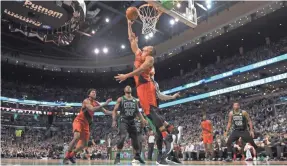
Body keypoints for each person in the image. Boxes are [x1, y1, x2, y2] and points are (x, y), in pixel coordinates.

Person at [114, 19, 181, 165]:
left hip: (146, 88)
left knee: (152, 113)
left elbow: (141, 70)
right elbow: (131, 40)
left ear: (150, 51)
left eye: (149, 46)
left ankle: (167, 137)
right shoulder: (139, 54)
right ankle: (169, 136)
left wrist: (127, 75)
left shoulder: (149, 58)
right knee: (154, 119)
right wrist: (129, 24)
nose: (147, 46)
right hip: (142, 89)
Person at [63, 89, 112, 164]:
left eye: (95, 92)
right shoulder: (86, 101)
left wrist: (116, 112)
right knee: (76, 137)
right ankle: (66, 157)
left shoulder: (97, 103)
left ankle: (71, 155)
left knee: (84, 145)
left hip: (86, 124)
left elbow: (106, 112)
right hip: (79, 121)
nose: (94, 93)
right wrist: (105, 104)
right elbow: (92, 109)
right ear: (89, 94)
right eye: (93, 92)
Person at [111, 86, 147, 164]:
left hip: (132, 121)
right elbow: (114, 110)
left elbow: (138, 111)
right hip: (123, 120)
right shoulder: (121, 99)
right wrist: (114, 120)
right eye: (126, 87)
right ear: (124, 90)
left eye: (129, 87)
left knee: (136, 139)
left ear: (131, 90)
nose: (128, 87)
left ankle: (137, 155)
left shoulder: (135, 100)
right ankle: (117, 156)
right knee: (123, 136)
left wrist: (142, 119)